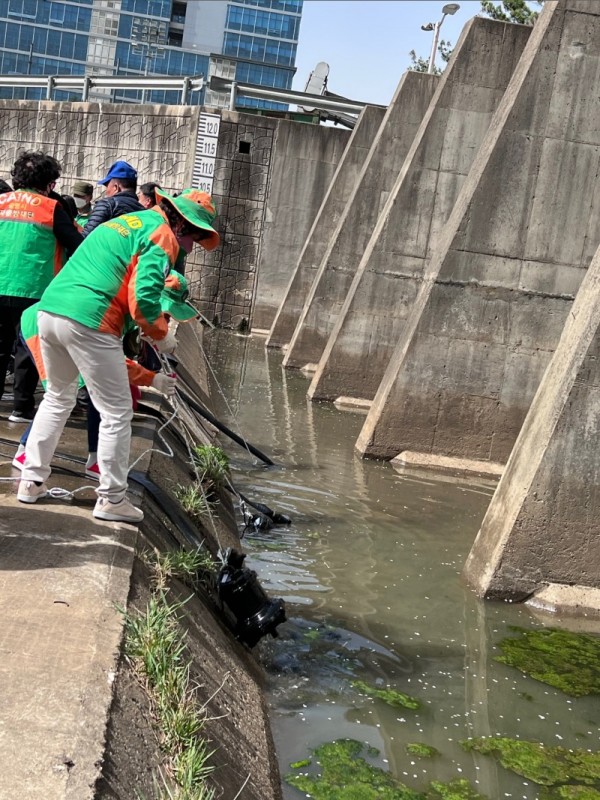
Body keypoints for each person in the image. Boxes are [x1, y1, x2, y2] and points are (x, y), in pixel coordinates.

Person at [18, 188, 220, 524]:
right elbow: (142, 299)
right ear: (184, 226)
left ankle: (31, 481)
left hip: (50, 310)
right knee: (115, 412)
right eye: (196, 238)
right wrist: (161, 335)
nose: (192, 246)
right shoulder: (163, 235)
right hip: (91, 317)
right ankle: (112, 499)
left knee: (57, 399)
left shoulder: (128, 222)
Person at [0, 151, 82, 423]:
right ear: (49, 182)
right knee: (27, 347)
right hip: (34, 289)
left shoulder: (1, 202)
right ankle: (21, 408)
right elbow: (77, 246)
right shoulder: (50, 208)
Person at [83, 160, 143, 237]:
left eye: (107, 186)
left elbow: (85, 239)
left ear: (116, 187)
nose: (106, 190)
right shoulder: (144, 212)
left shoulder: (107, 205)